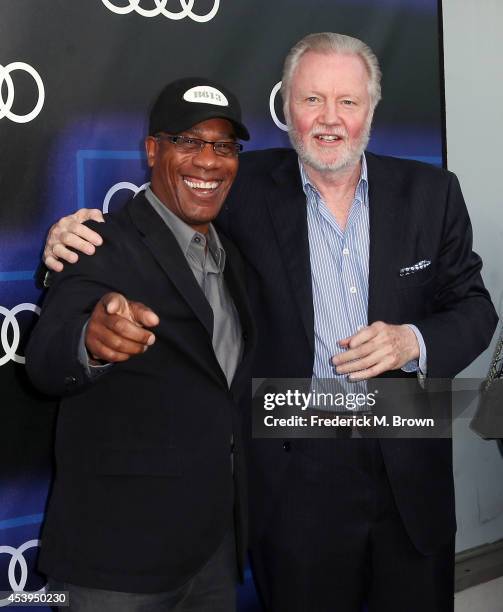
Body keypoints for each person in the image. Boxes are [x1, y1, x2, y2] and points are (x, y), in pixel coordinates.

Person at [40, 33, 498, 612]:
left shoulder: (431, 193)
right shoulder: (240, 183)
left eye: (348, 102)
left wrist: (414, 339)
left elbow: (475, 308)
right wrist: (71, 235)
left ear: (371, 110)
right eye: (312, 100)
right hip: (292, 469)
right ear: (287, 109)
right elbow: (163, 210)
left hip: (408, 462)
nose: (329, 120)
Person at [26, 77, 256, 612]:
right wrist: (91, 340)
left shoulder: (235, 256)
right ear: (152, 149)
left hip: (213, 551)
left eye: (223, 146)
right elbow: (47, 356)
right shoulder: (98, 243)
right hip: (115, 563)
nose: (208, 161)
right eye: (188, 141)